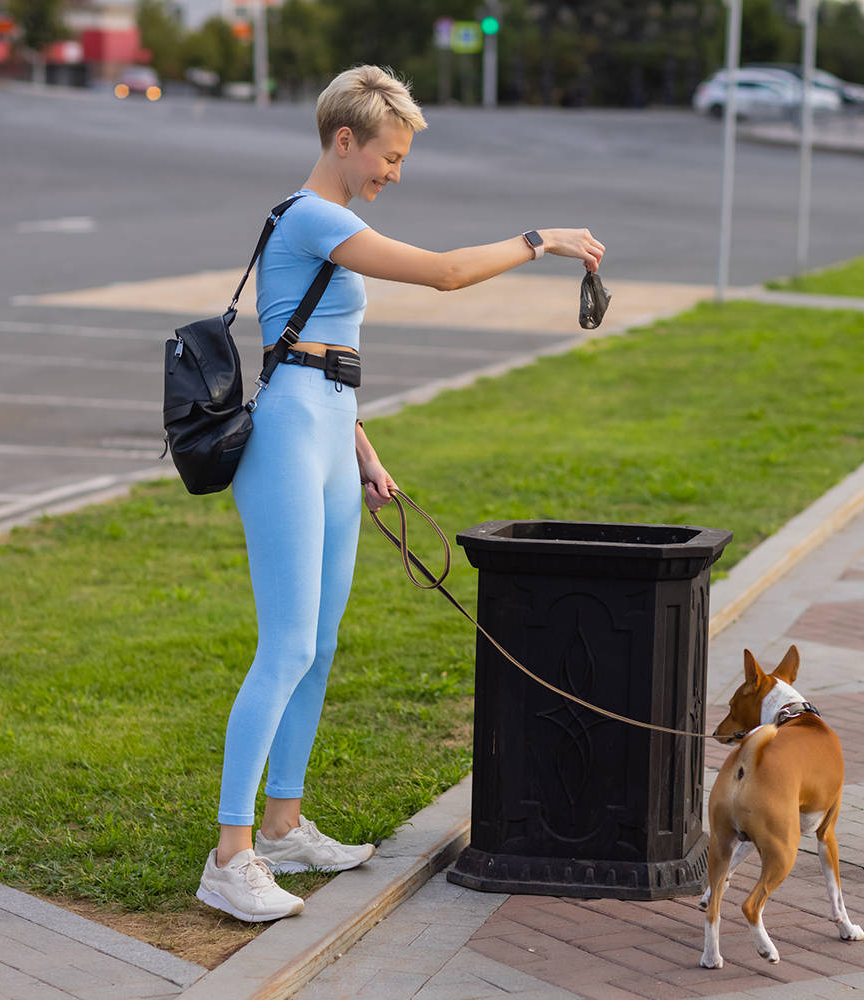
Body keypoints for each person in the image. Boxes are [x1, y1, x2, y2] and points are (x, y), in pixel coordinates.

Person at [195, 64, 605, 922]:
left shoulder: (333, 219)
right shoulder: (312, 216)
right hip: (287, 449)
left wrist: (365, 453)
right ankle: (228, 856)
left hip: (329, 437)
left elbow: (314, 356)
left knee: (321, 645)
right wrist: (540, 240)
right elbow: (448, 273)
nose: (394, 172)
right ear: (344, 141)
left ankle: (282, 827)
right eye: (388, 155)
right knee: (285, 649)